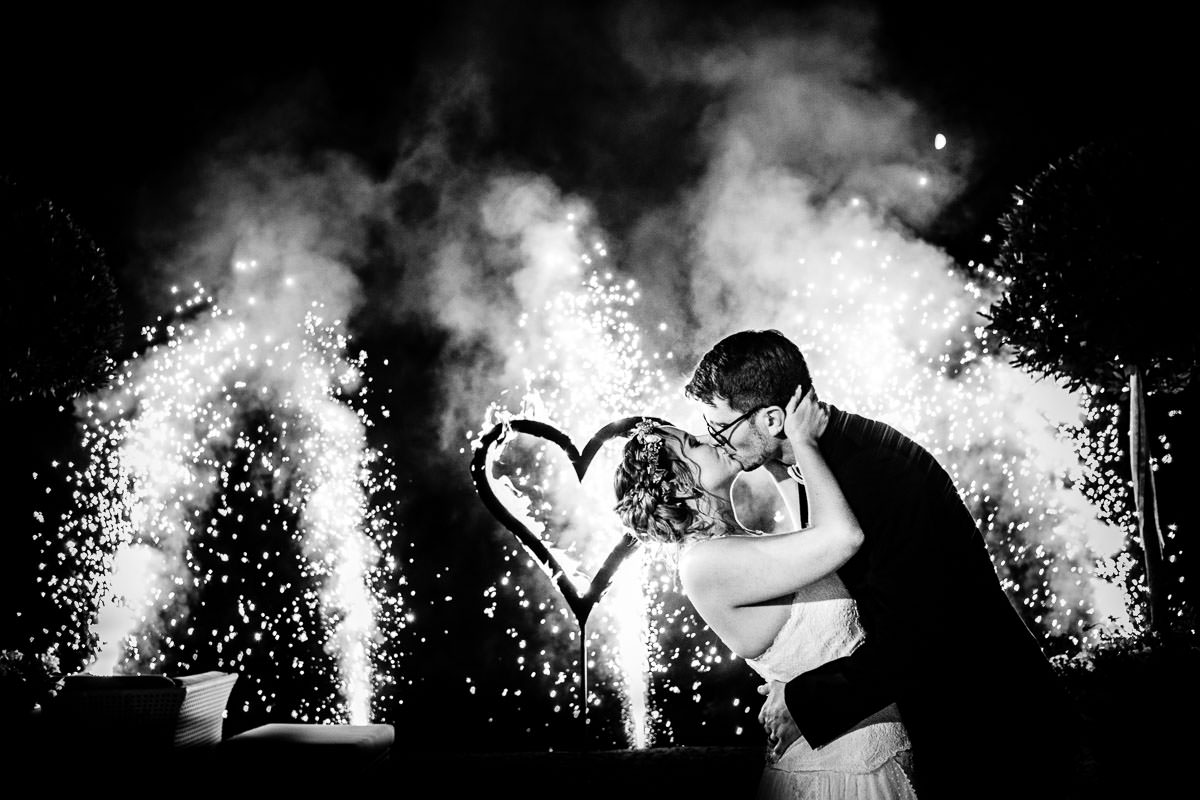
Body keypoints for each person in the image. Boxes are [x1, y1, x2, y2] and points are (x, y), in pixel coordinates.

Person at [684, 329, 1081, 800]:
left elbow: (922, 633)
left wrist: (803, 699)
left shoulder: (876, 471)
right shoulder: (820, 459)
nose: (714, 441)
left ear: (772, 418)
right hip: (952, 721)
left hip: (993, 729)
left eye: (721, 428)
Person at [614, 386, 919, 799]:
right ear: (679, 486)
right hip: (840, 776)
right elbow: (841, 537)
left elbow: (812, 539)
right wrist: (805, 443)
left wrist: (775, 455)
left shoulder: (735, 545)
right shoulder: (704, 564)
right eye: (693, 444)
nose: (709, 438)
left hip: (864, 755)